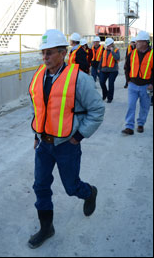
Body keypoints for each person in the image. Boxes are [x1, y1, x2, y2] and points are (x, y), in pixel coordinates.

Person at [28, 29, 105, 249]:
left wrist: (79, 136)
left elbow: (97, 110)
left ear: (63, 53)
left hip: (67, 146)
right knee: (40, 186)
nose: (45, 58)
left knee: (71, 187)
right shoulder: (38, 76)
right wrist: (36, 134)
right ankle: (46, 228)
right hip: (44, 144)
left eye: (50, 53)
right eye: (43, 53)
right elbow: (39, 109)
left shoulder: (79, 79)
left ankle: (89, 192)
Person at [122, 30, 153, 135]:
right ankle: (129, 127)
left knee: (145, 107)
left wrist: (152, 84)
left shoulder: (152, 54)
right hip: (133, 85)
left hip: (146, 86)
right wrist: (128, 81)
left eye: (138, 41)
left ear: (145, 42)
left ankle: (141, 124)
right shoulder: (132, 53)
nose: (136, 43)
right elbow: (126, 68)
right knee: (131, 105)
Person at [98, 38, 120, 103]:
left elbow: (117, 58)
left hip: (113, 71)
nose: (107, 47)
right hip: (104, 70)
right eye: (107, 45)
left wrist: (112, 51)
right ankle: (105, 94)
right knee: (102, 82)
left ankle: (110, 98)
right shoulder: (104, 51)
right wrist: (99, 68)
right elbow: (101, 60)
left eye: (109, 45)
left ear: (112, 45)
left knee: (111, 84)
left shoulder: (116, 50)